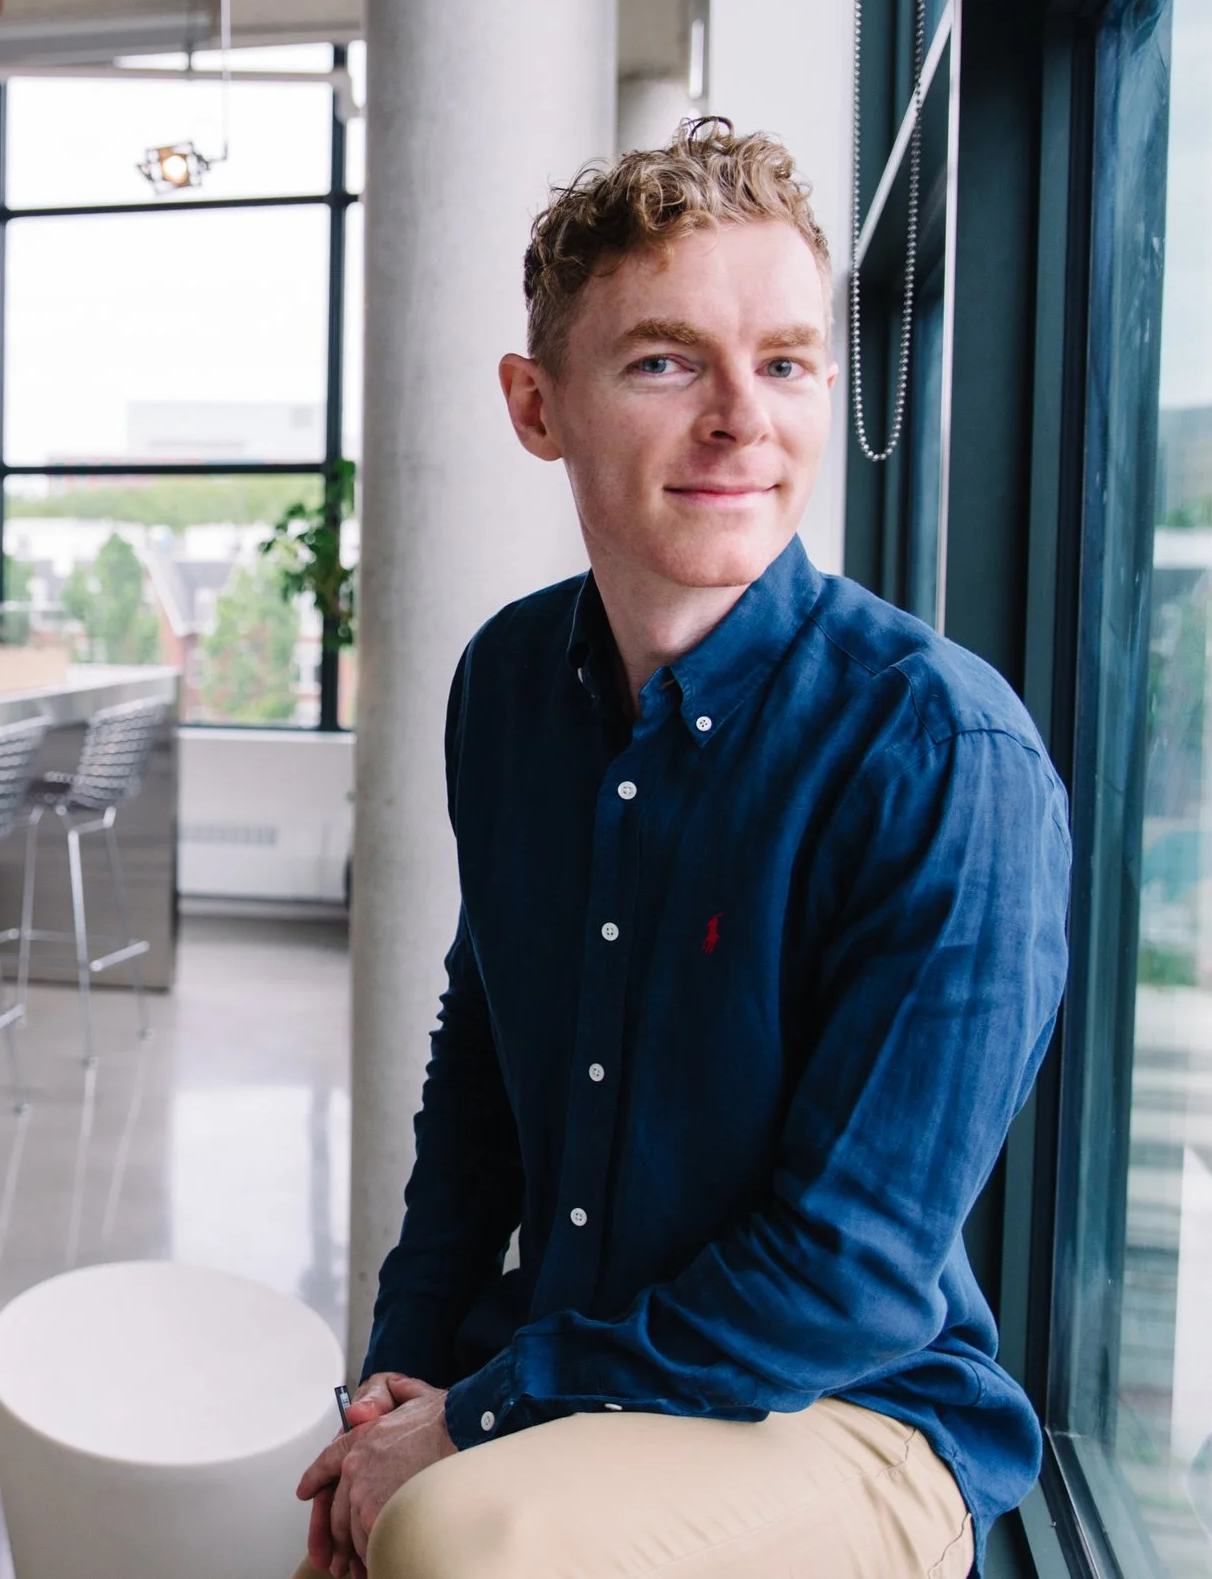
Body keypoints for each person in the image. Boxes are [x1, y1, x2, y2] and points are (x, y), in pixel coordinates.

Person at [293, 120, 1072, 1578]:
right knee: (383, 1505)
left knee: (463, 1538)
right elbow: (482, 1066)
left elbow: (841, 1275)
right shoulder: (509, 685)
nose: (740, 419)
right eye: (665, 362)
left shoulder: (944, 756)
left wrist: (475, 1418)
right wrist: (396, 1379)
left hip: (853, 1411)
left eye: (783, 363)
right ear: (539, 405)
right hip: (585, 1350)